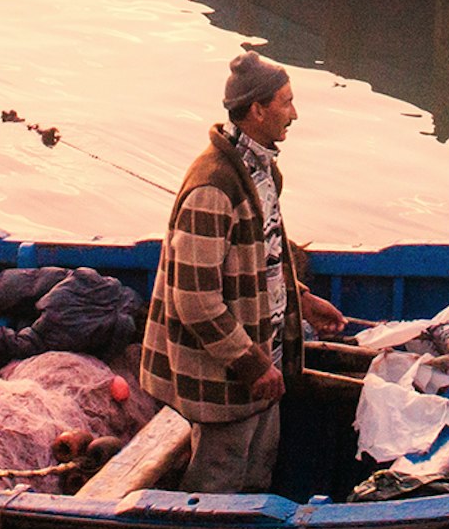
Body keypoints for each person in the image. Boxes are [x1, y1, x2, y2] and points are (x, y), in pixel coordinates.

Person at [141, 49, 351, 494]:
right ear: (257, 110)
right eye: (286, 102)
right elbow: (196, 301)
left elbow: (262, 259)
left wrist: (302, 300)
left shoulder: (262, 171)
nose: (294, 114)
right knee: (220, 478)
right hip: (226, 375)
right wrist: (253, 366)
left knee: (258, 472)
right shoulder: (213, 187)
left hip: (262, 360)